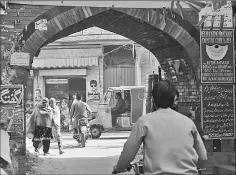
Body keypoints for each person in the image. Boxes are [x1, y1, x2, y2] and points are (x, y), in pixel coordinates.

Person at [113, 80, 207, 175]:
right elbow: (202, 156)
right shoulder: (188, 122)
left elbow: (128, 153)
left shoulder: (144, 122)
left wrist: (119, 167)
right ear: (173, 100)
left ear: (153, 100)